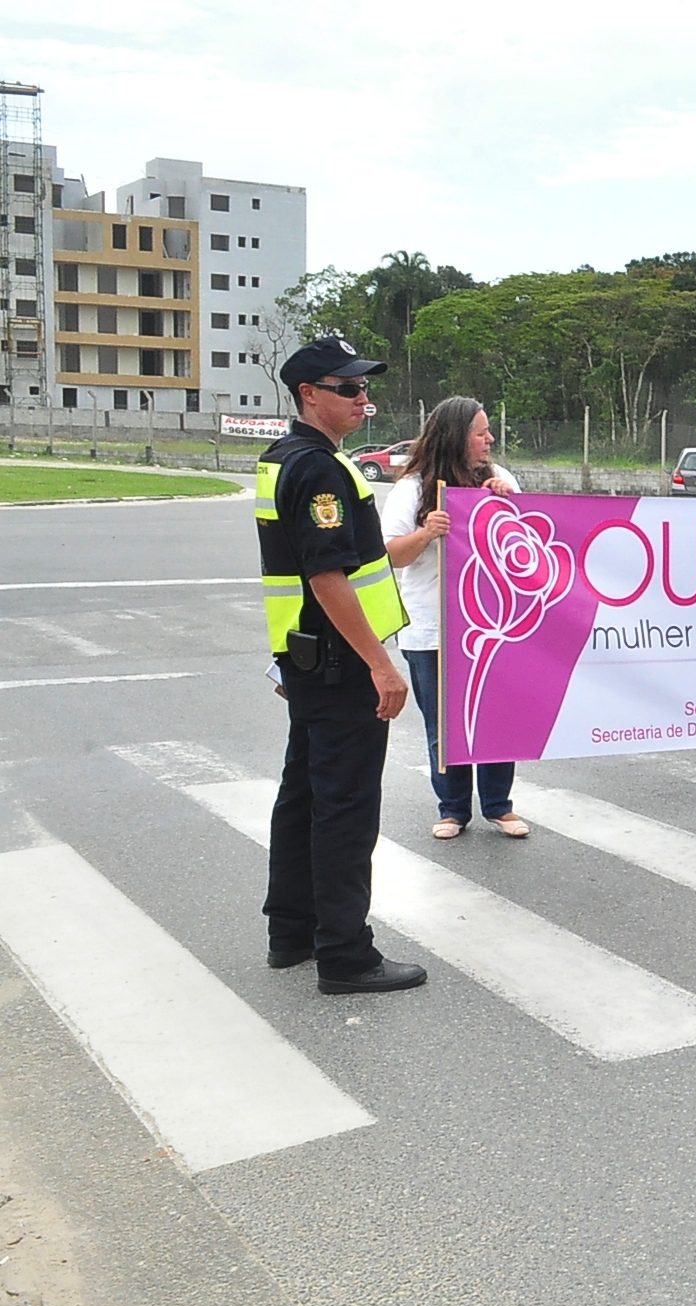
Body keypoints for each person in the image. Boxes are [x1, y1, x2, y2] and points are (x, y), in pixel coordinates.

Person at [256, 336, 428, 996]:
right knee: (345, 810)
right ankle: (346, 954)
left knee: (303, 795)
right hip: (340, 664)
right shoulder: (320, 469)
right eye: (348, 389)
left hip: (308, 659)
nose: (365, 399)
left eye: (363, 387)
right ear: (309, 395)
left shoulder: (287, 459)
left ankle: (292, 931)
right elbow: (327, 578)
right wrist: (381, 666)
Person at [381, 396, 528, 839]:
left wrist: (505, 504)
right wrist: (428, 532)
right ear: (455, 436)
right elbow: (390, 553)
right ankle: (452, 808)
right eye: (480, 432)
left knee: (497, 716)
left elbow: (531, 539)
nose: (490, 440)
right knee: (443, 723)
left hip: (491, 624)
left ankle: (499, 806)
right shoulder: (413, 487)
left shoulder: (500, 478)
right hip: (432, 627)